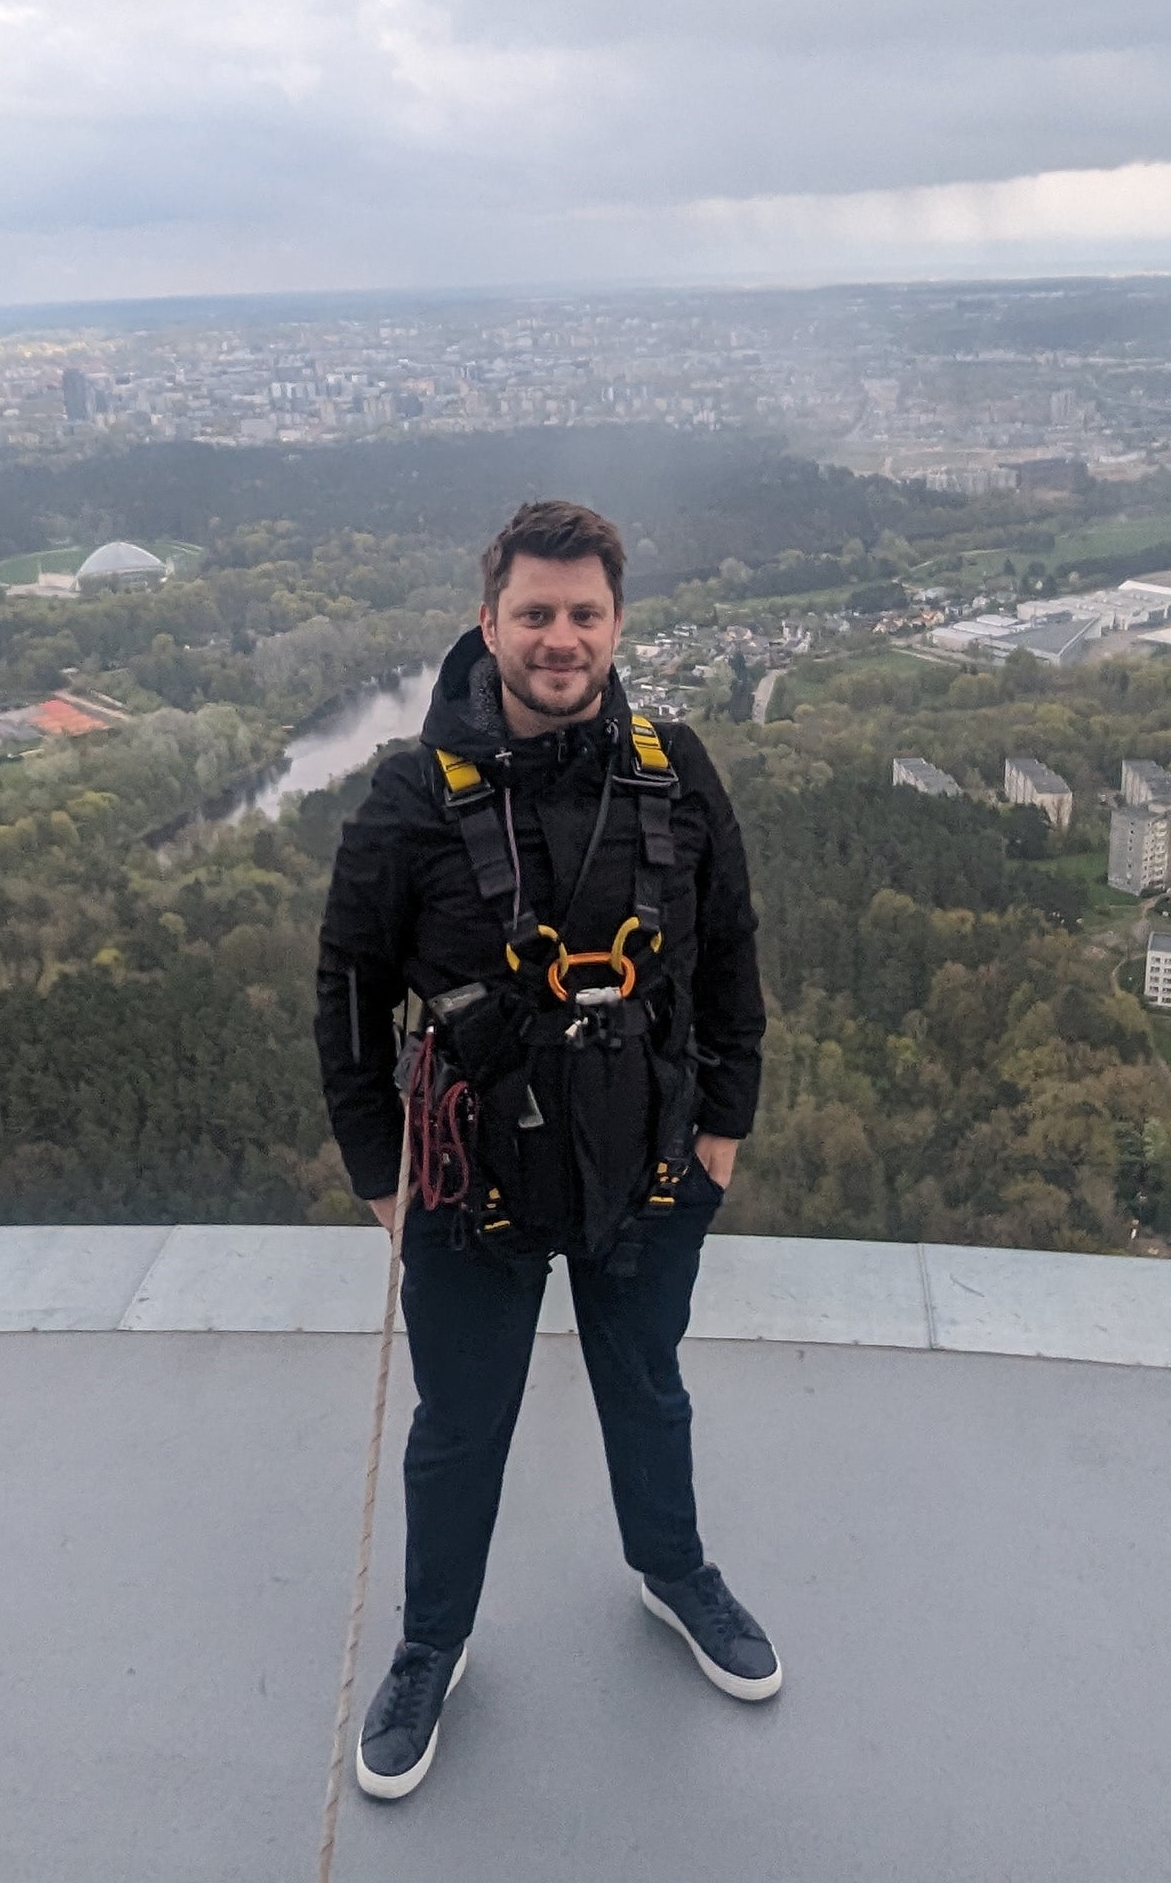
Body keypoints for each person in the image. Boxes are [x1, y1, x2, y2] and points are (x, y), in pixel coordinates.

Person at [315, 499, 774, 1801]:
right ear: (490, 623)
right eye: (536, 613)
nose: (560, 637)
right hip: (469, 1189)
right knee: (461, 1427)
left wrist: (722, 1138)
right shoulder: (412, 799)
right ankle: (430, 1645)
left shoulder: (674, 772)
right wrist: (380, 1182)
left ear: (616, 625)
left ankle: (675, 1572)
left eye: (583, 614)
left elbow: (730, 961)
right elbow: (347, 991)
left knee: (648, 1389)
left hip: (650, 1164)